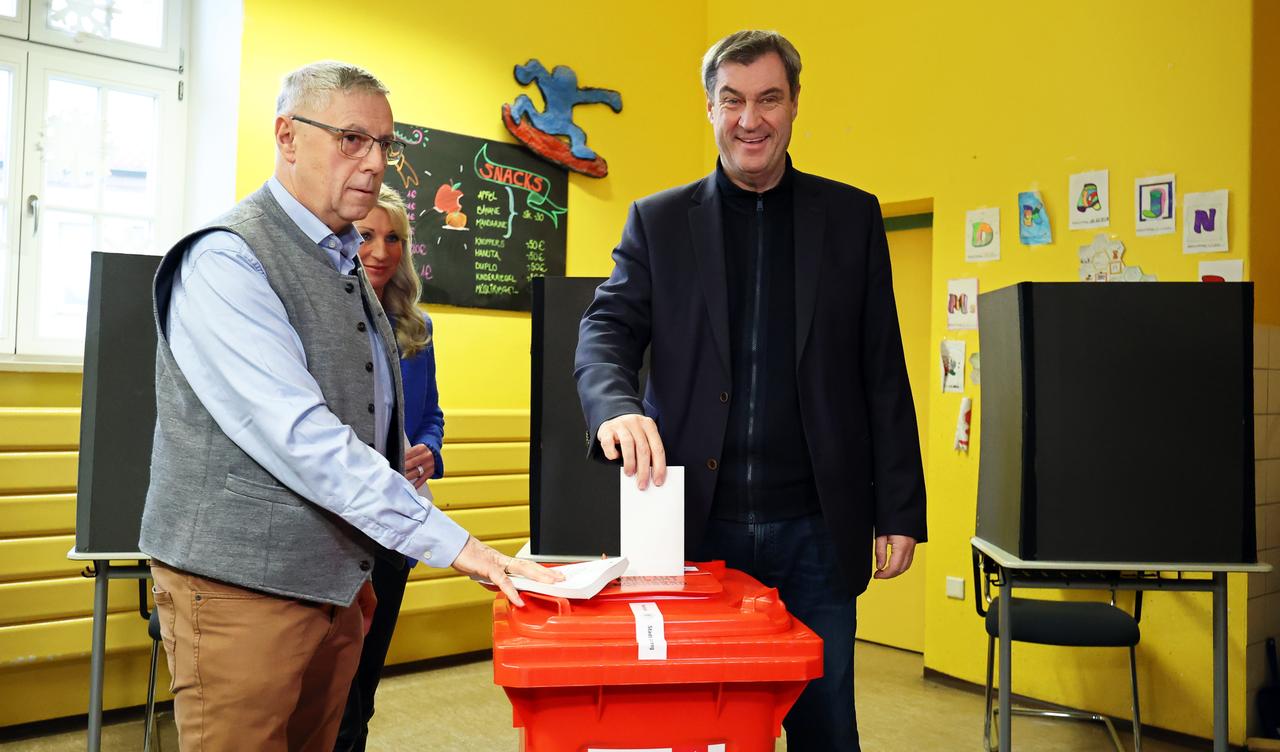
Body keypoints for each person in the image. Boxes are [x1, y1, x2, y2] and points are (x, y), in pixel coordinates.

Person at [139, 61, 558, 752]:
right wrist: (463, 549)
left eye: (384, 145)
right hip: (241, 591)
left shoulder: (344, 262)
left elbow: (374, 419)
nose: (373, 163)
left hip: (336, 586)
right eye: (351, 139)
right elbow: (303, 437)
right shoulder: (227, 260)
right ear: (287, 136)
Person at [574, 31, 926, 751]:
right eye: (732, 100)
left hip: (818, 534)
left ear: (795, 106)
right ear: (709, 108)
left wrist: (899, 507)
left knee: (827, 728)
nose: (750, 119)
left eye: (769, 99)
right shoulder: (659, 221)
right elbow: (605, 331)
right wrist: (615, 405)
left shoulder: (852, 219)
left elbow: (882, 370)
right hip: (700, 529)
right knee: (705, 726)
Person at [334, 185, 443, 751]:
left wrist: (428, 451)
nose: (380, 250)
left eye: (394, 238)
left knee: (365, 687)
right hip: (338, 530)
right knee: (337, 695)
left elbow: (433, 416)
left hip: (397, 529)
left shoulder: (417, 329)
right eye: (367, 235)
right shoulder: (326, 317)